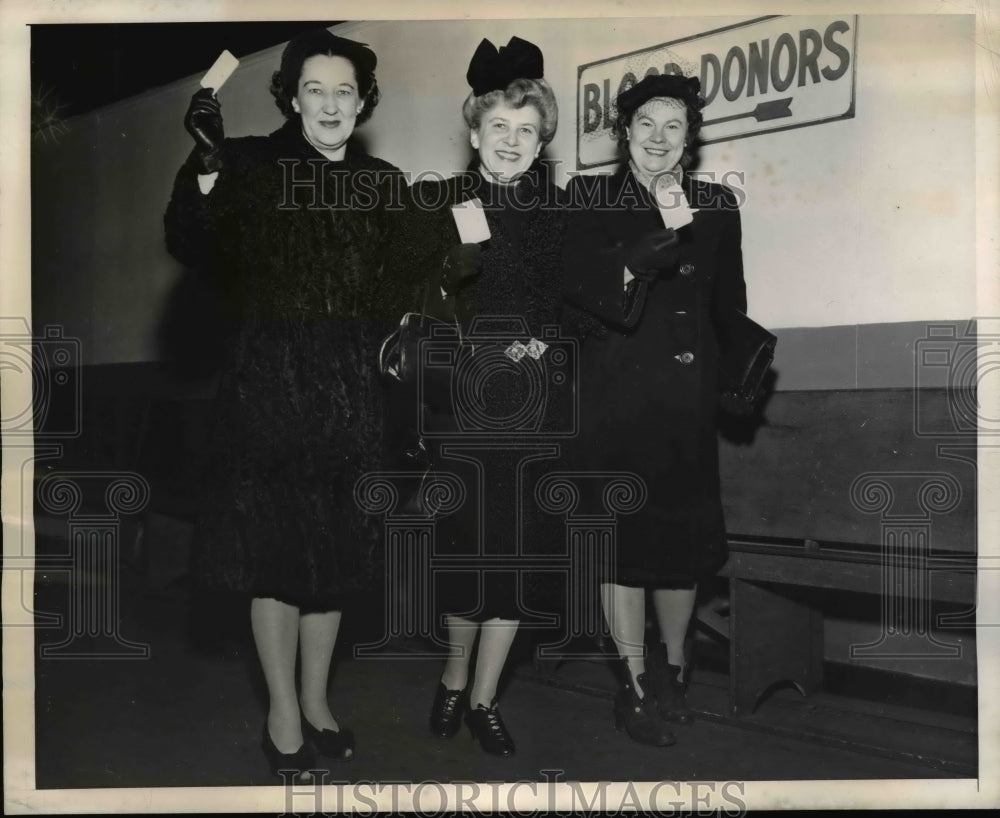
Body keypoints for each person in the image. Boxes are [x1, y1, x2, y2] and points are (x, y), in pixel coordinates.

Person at [164, 29, 416, 781]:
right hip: (270, 387)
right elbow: (190, 242)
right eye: (316, 89)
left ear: (364, 101)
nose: (332, 103)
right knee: (273, 558)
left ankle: (317, 702)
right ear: (291, 97)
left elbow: (406, 284)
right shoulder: (247, 163)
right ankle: (280, 714)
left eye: (346, 91)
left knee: (335, 557)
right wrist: (206, 164)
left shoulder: (384, 182)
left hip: (352, 395)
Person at [563, 73, 748, 747]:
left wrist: (740, 368)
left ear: (690, 137)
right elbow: (571, 295)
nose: (660, 139)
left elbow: (729, 304)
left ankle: (673, 673)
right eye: (646, 124)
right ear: (623, 132)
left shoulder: (717, 205)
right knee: (622, 549)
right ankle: (634, 686)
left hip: (686, 402)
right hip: (614, 399)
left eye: (674, 126)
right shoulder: (586, 198)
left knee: (679, 548)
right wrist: (626, 268)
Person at [404, 36, 566, 758]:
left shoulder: (558, 213)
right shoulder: (442, 205)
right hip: (461, 409)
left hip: (529, 405)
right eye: (499, 127)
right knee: (469, 557)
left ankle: (483, 698)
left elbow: (576, 305)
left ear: (542, 141)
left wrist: (544, 340)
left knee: (520, 560)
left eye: (527, 130)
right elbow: (411, 303)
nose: (512, 141)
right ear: (474, 133)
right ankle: (452, 670)